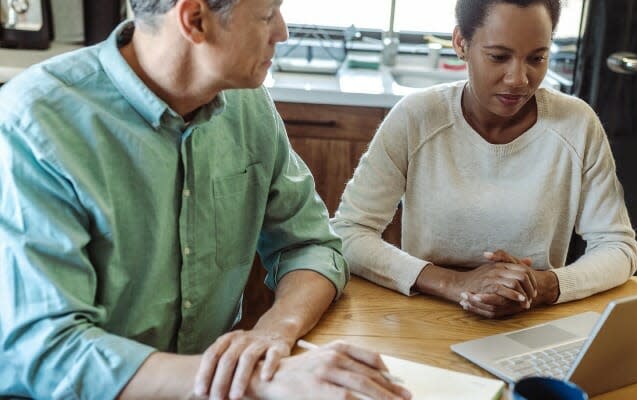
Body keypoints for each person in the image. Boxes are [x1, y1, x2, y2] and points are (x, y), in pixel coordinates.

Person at [0, 1, 410, 399]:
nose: (282, 33)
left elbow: (312, 245)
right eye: (267, 15)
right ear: (195, 19)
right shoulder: (36, 120)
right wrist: (261, 380)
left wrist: (272, 335)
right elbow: (49, 349)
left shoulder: (247, 103)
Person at [332, 0, 637, 319]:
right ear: (461, 44)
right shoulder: (418, 116)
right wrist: (453, 283)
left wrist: (543, 286)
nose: (519, 79)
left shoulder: (576, 124)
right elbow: (348, 232)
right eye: (498, 56)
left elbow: (618, 247)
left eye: (537, 58)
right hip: (425, 312)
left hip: (532, 319)